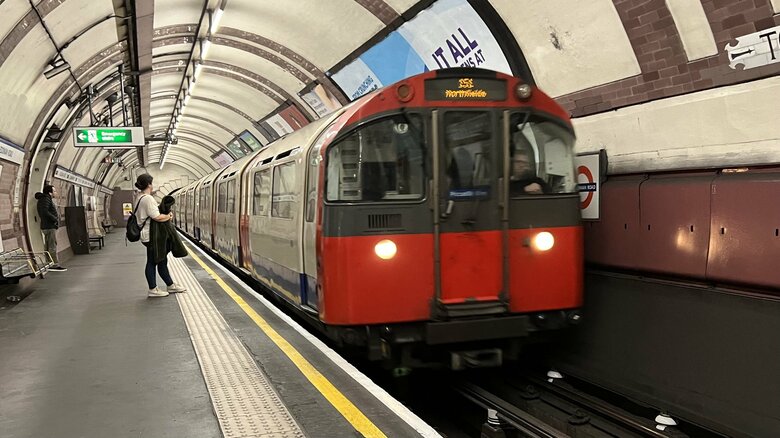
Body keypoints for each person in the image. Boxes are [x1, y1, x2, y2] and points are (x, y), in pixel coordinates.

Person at [134, 174, 186, 298]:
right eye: (151, 183)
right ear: (149, 185)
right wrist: (169, 216)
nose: (152, 186)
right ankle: (153, 289)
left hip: (148, 235)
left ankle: (170, 285)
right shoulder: (148, 199)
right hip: (151, 236)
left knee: (162, 260)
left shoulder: (139, 197)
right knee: (153, 261)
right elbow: (157, 217)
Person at [35, 184, 66, 271]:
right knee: (52, 246)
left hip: (48, 226)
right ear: (50, 192)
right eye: (54, 191)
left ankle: (50, 263)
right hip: (49, 226)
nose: (56, 192)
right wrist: (55, 219)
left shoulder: (46, 199)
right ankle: (54, 265)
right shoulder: (45, 199)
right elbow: (44, 211)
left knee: (49, 245)